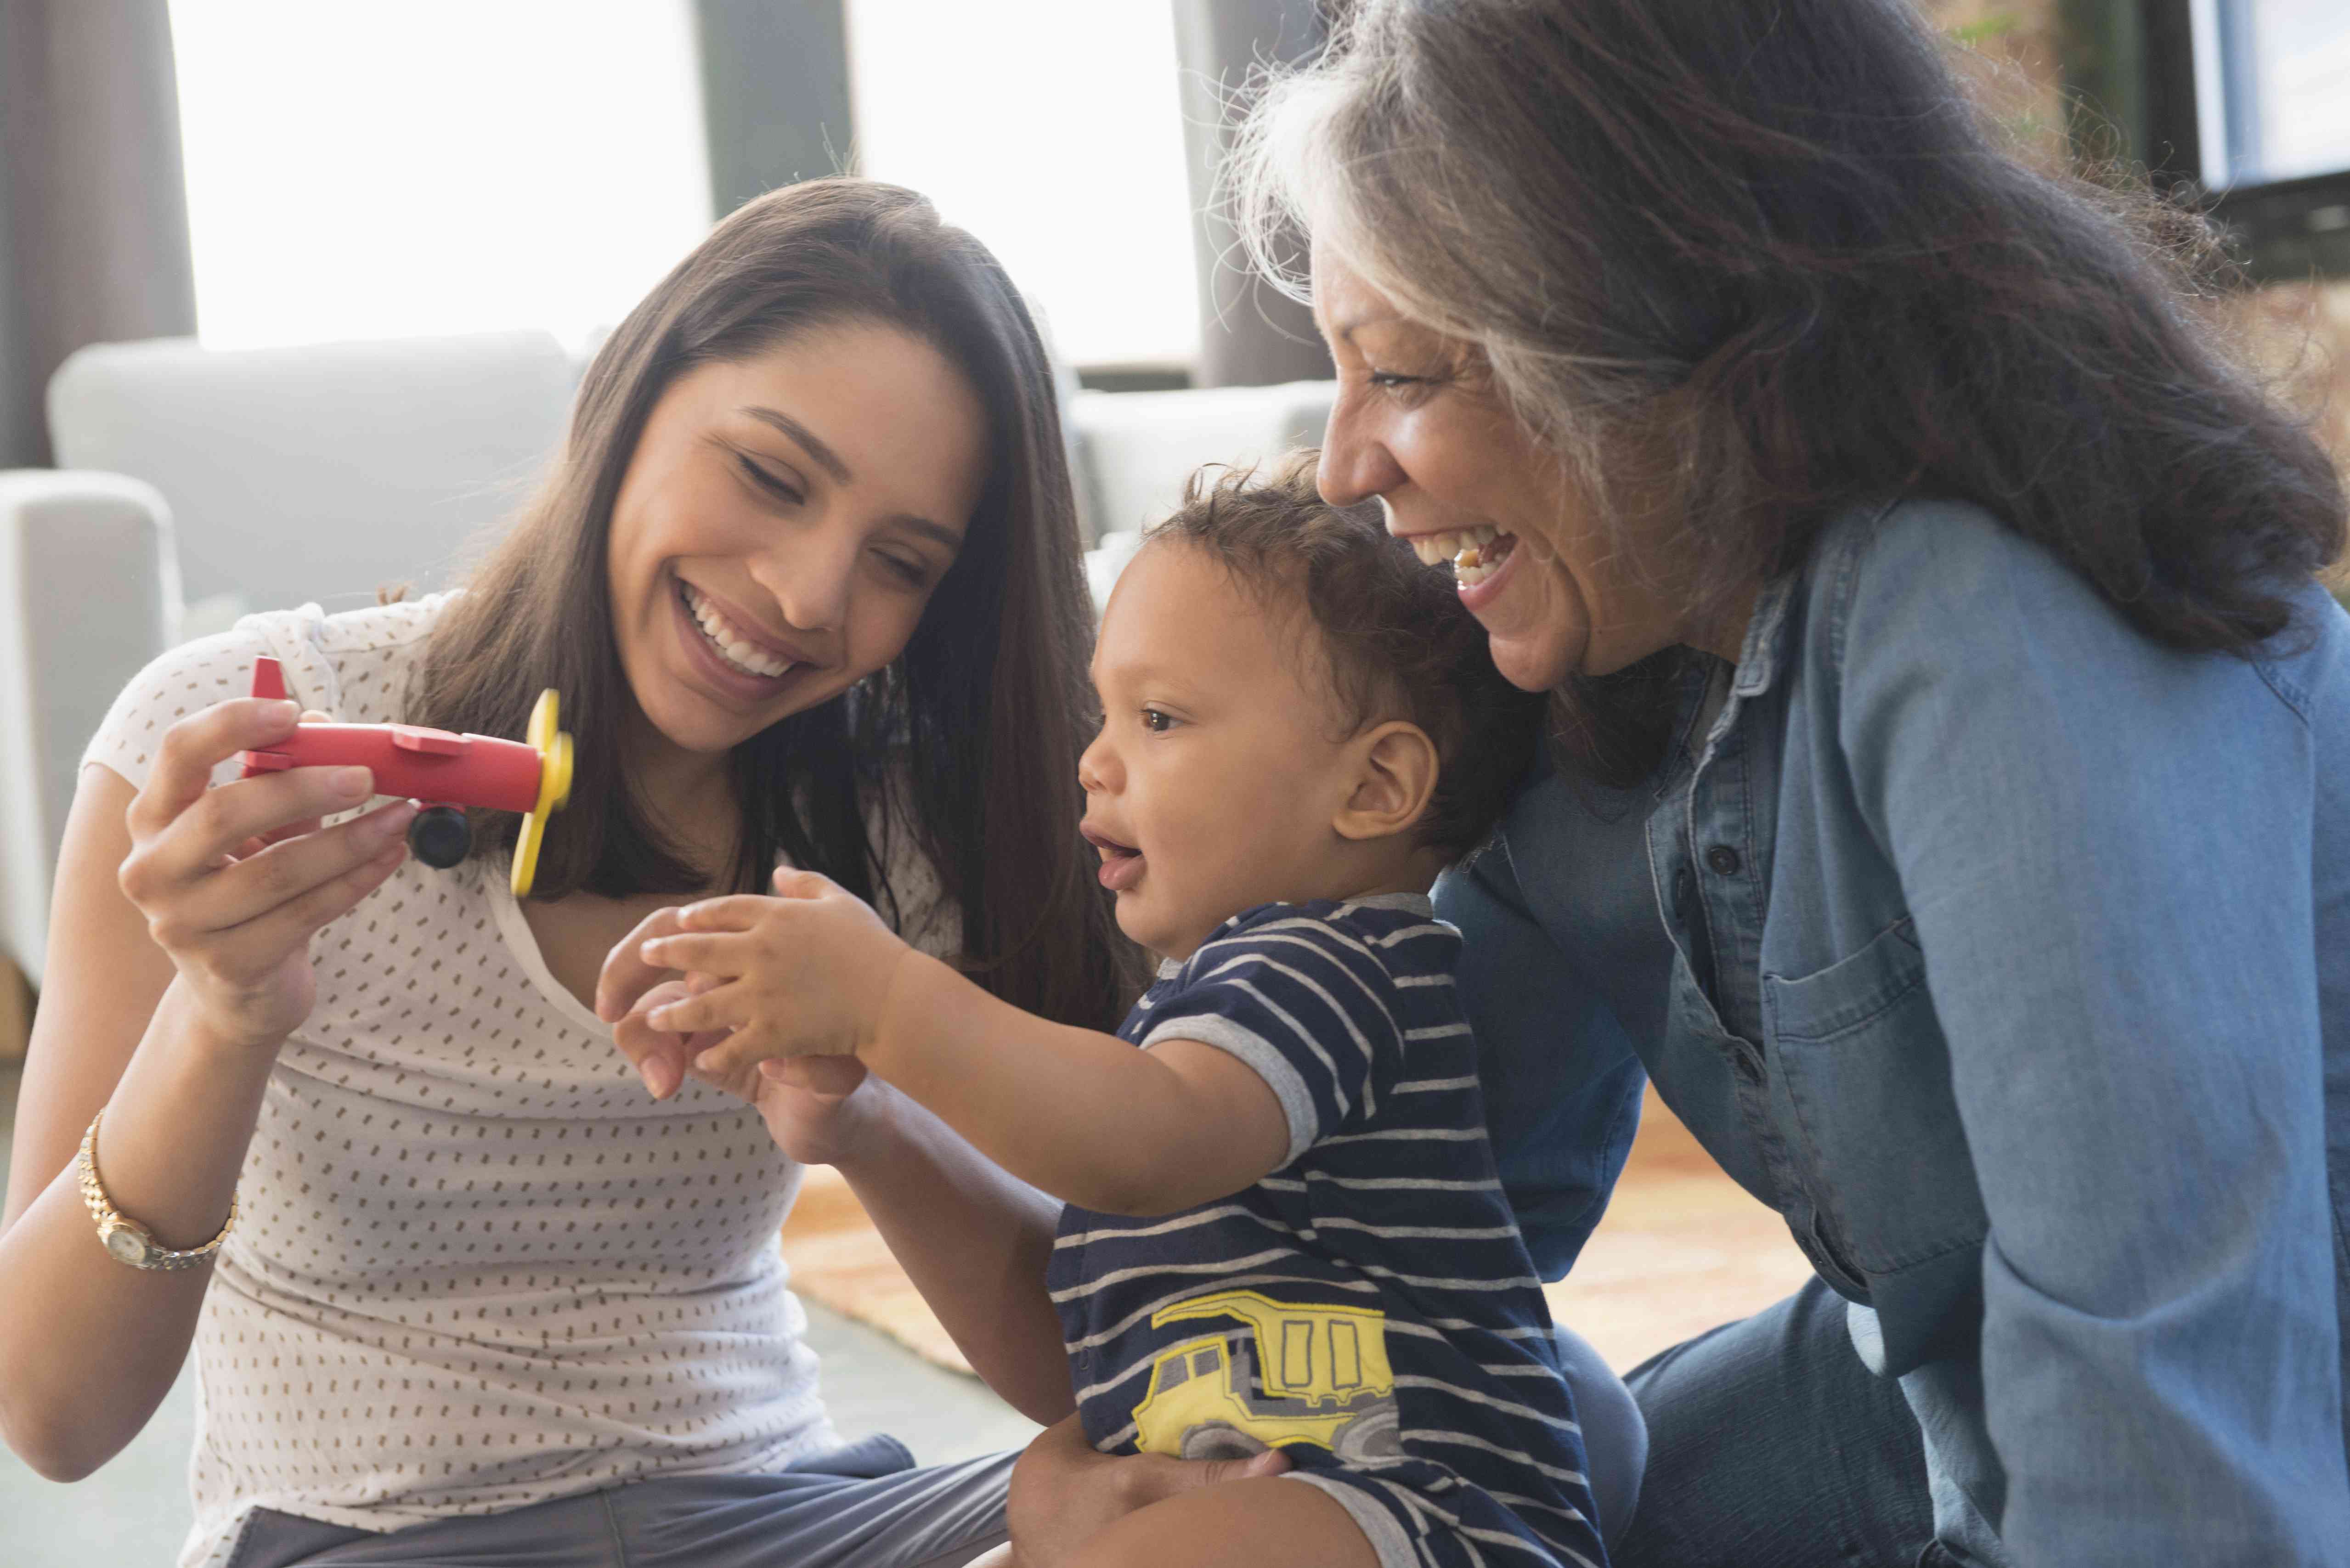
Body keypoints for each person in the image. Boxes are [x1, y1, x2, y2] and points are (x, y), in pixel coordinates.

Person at [1187, 1, 2343, 1565]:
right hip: (1945, 1392)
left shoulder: (1985, 610)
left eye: (1399, 371)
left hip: (2242, 1430)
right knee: (1495, 1496)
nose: (1343, 466)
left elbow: (2172, 1430)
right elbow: (1374, 1245)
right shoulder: (1595, 671)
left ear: (1639, 334)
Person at [0, 178, 1133, 1568]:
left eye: (898, 562)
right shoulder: (241, 728)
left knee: (1230, 1511)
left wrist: (869, 1117)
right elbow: (52, 1412)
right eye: (772, 477)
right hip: (364, 1531)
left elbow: (1102, 1378)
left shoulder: (899, 811)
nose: (806, 596)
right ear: (626, 398)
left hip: (782, 1510)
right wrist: (220, 1013)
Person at [595, 458, 1609, 1568]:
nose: (1093, 762)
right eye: (1103, 713)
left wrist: (885, 997)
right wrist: (866, 1129)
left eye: (1160, 718)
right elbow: (1066, 1364)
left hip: (1429, 1514)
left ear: (1371, 790)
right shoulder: (1197, 1021)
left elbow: (1140, 1141)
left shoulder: (1342, 967)